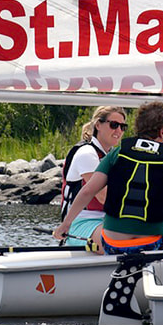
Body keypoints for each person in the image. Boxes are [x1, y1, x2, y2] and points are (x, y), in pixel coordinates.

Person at [53, 101, 163, 254]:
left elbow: (87, 191)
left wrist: (65, 225)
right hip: (152, 243)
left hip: (112, 243)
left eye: (122, 127)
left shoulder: (116, 153)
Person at [60, 106, 126, 250]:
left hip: (108, 220)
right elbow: (103, 197)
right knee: (118, 240)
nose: (119, 131)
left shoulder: (115, 156)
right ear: (98, 125)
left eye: (123, 127)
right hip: (81, 222)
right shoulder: (87, 153)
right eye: (114, 125)